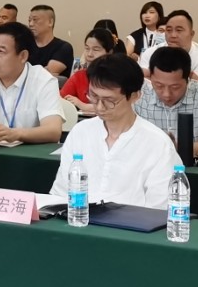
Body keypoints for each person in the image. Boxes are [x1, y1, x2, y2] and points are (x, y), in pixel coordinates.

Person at [50, 54, 180, 208]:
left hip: (133, 222)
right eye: (93, 96)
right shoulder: (81, 132)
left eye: (109, 100)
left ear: (135, 96)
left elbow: (161, 208)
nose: (99, 107)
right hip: (79, 217)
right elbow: (61, 193)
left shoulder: (158, 143)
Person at [135, 46, 198, 157]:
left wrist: (175, 147)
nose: (166, 94)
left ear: (189, 78)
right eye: (159, 86)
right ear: (150, 77)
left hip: (191, 163)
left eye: (175, 87)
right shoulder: (138, 95)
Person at [136, 9, 198, 79]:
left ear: (191, 34)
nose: (173, 35)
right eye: (169, 30)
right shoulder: (150, 53)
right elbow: (143, 82)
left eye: (179, 30)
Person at [61, 27, 126, 112]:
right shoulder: (79, 76)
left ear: (109, 52)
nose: (89, 54)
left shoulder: (117, 76)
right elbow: (59, 99)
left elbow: (117, 105)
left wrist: (83, 106)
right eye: (87, 48)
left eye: (96, 49)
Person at [26, 5, 74, 77]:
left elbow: (46, 74)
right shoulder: (25, 45)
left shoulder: (63, 47)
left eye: (35, 20)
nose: (31, 24)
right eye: (29, 20)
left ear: (50, 22)